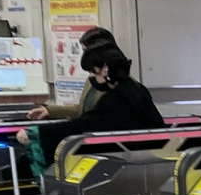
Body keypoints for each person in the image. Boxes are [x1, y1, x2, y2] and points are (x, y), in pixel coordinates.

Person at [14, 45, 163, 161]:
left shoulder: (115, 100)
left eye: (93, 72)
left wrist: (35, 134)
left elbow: (84, 125)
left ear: (105, 71)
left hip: (127, 161)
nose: (91, 78)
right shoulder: (135, 90)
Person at [28, 27, 119, 120]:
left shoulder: (120, 83)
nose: (84, 57)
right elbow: (80, 110)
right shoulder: (92, 80)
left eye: (86, 52)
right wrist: (50, 111)